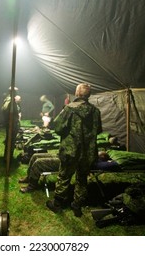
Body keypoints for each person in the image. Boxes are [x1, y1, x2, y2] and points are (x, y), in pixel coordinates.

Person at [46, 83, 102, 217]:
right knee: (82, 179)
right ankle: (77, 205)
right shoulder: (95, 111)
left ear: (77, 94)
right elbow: (98, 130)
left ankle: (57, 203)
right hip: (87, 152)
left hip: (71, 151)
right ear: (88, 95)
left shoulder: (69, 109)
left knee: (64, 176)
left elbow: (58, 128)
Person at [19, 150, 117, 193]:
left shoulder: (93, 160)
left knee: (39, 163)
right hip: (65, 156)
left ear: (102, 157)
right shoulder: (91, 151)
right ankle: (29, 177)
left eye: (100, 153)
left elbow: (108, 164)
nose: (98, 152)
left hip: (67, 163)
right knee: (35, 156)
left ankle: (32, 186)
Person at [1, 87, 20, 161]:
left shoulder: (6, 100)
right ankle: (9, 157)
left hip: (8, 123)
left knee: (8, 140)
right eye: (16, 92)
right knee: (11, 141)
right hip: (12, 124)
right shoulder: (12, 102)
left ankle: (6, 156)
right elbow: (15, 113)